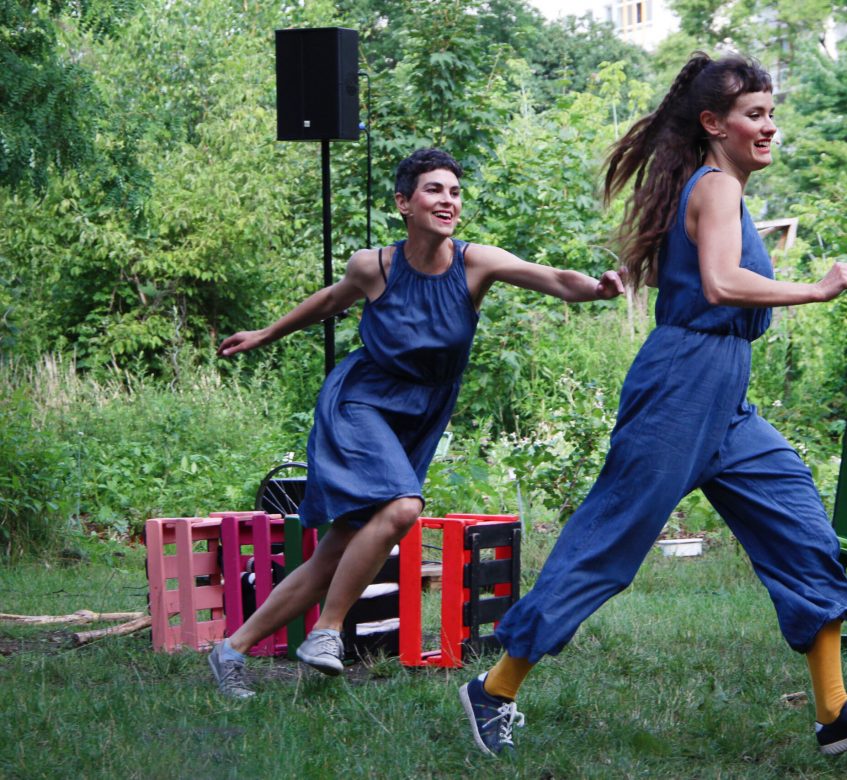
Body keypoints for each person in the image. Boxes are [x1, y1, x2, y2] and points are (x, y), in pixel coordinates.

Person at [459, 53, 847, 757]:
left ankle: (835, 712)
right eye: (754, 115)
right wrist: (816, 288)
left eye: (772, 113)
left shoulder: (722, 190)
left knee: (798, 522)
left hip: (725, 396)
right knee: (610, 541)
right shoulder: (716, 188)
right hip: (681, 387)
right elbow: (720, 283)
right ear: (715, 124)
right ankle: (493, 689)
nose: (769, 128)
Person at [207, 148, 625, 698]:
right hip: (361, 402)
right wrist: (264, 334)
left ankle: (228, 651)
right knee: (404, 506)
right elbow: (330, 301)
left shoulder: (477, 263)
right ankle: (327, 633)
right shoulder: (374, 266)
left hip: (418, 416)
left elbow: (553, 278)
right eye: (433, 190)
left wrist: (597, 289)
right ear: (404, 203)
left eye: (453, 191)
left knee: (338, 548)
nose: (447, 200)